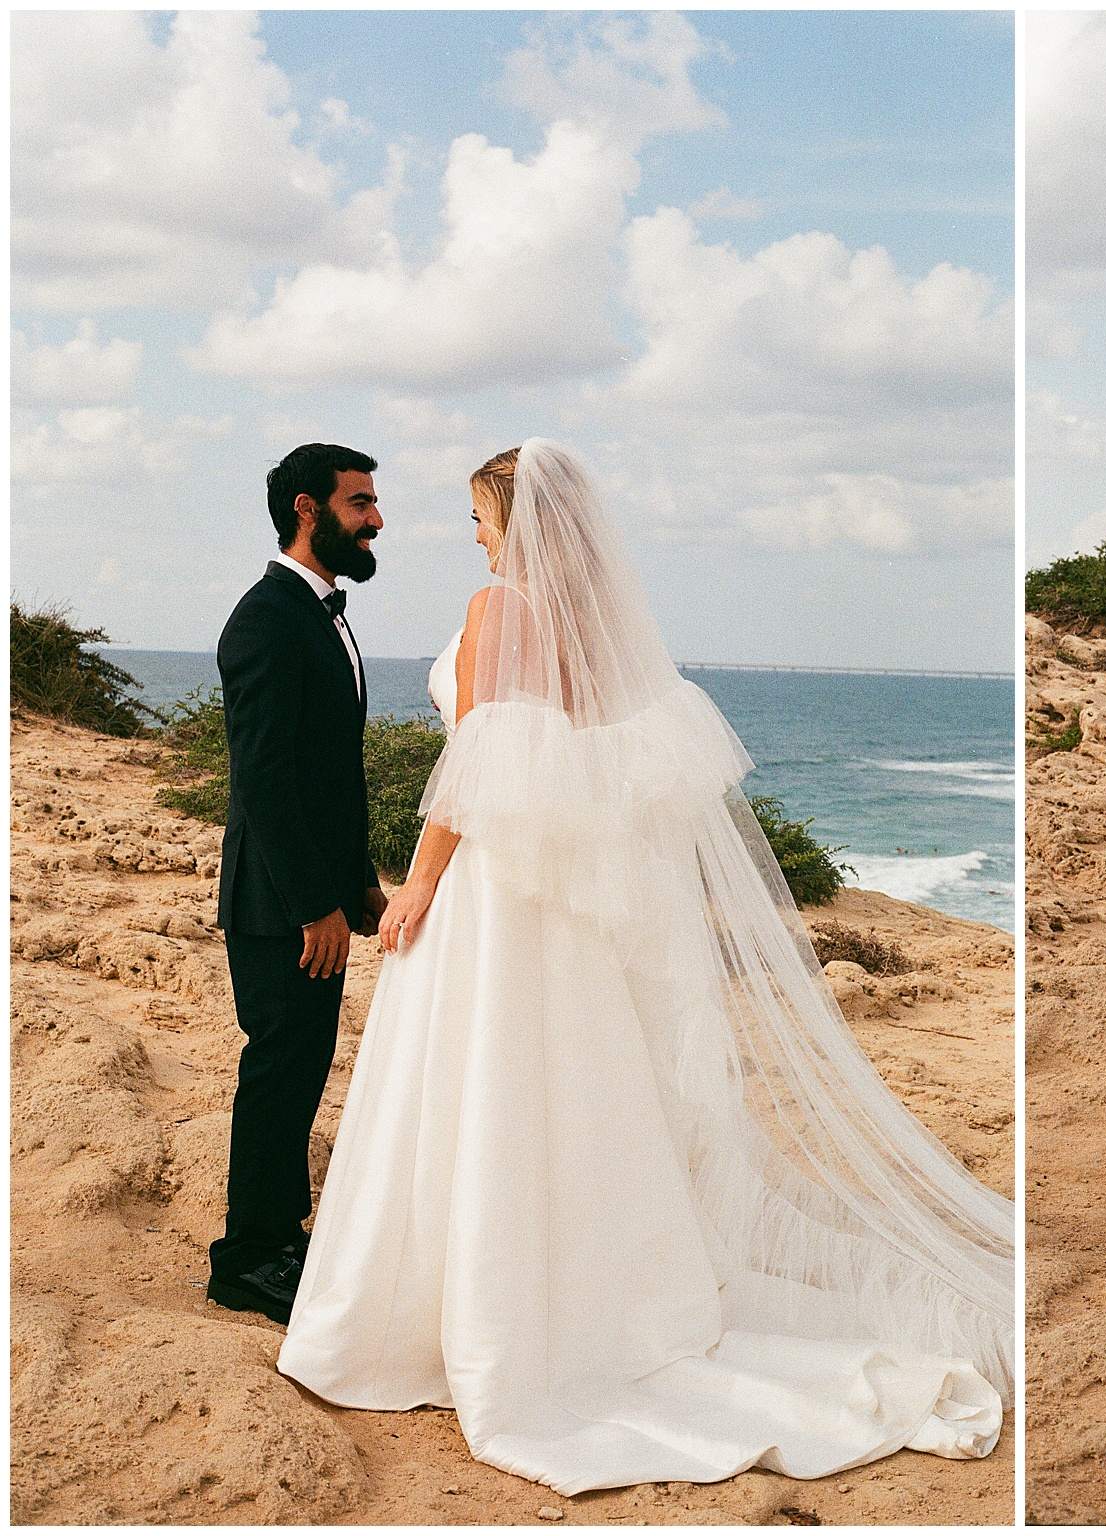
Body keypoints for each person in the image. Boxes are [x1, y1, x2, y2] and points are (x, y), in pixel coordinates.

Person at [277, 440, 1013, 1494]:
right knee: (564, 1097)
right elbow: (575, 768)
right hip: (562, 908)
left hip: (493, 890)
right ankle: (581, 1300)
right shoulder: (588, 634)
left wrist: (420, 885)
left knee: (478, 1089)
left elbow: (479, 767)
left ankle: (465, 1323)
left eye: (481, 516)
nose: (472, 534)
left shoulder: (498, 613)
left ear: (519, 523)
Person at [209, 443, 387, 1325]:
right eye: (362, 504)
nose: (377, 519)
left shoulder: (321, 614)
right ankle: (246, 1259)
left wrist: (360, 885)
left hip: (320, 897)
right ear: (309, 510)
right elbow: (266, 782)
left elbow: (333, 775)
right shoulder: (267, 620)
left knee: (301, 1068)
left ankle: (282, 1235)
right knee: (279, 1072)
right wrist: (314, 904)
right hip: (279, 907)